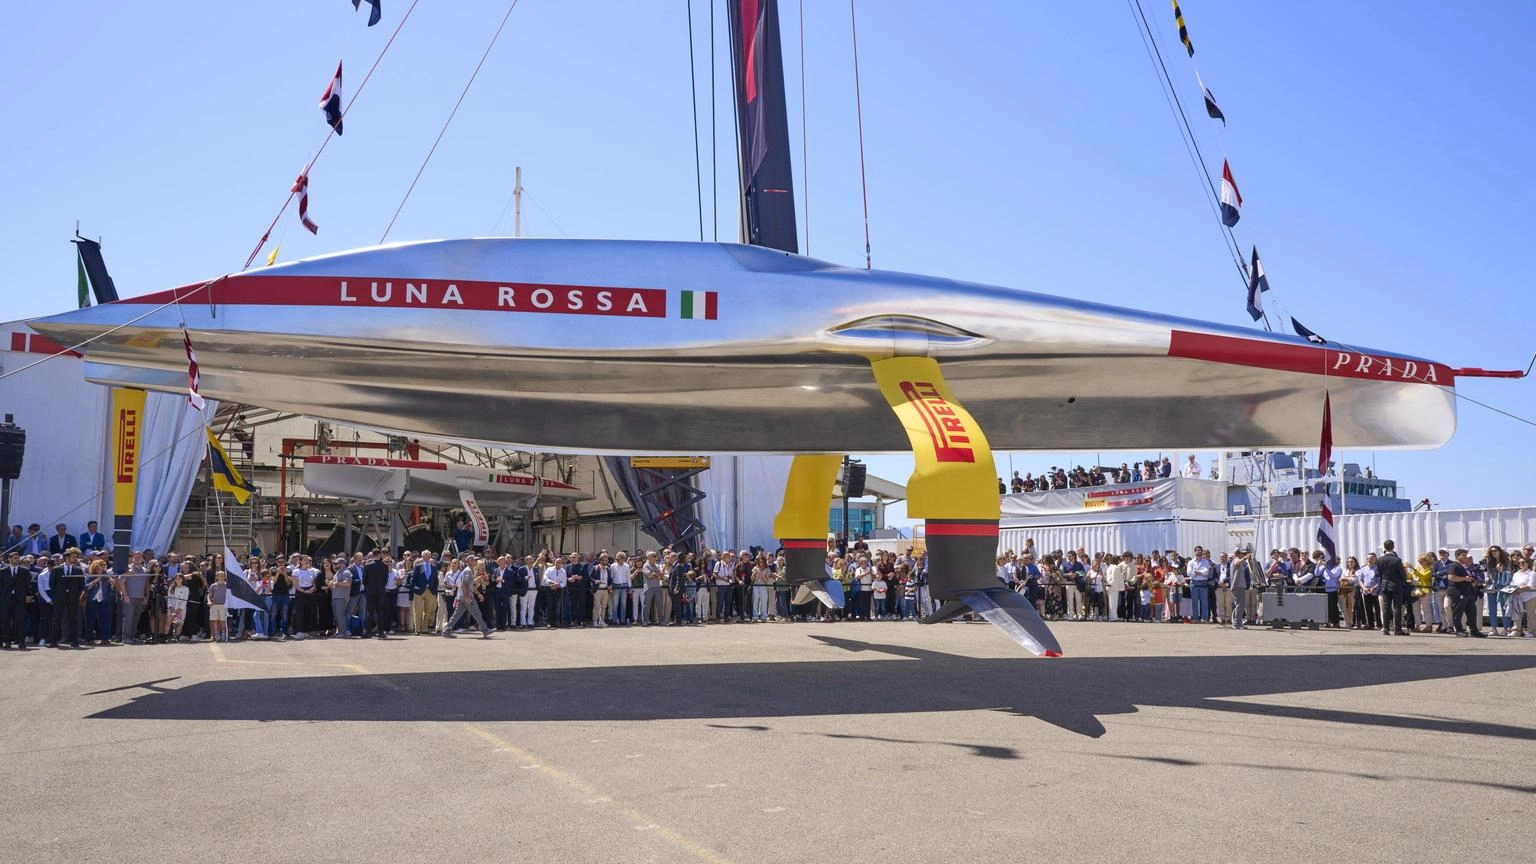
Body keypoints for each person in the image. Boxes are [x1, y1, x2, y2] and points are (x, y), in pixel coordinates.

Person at [441, 559, 491, 638]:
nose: (476, 561)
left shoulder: (469, 570)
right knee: (477, 613)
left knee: (456, 615)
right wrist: (467, 596)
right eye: (474, 560)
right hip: (467, 596)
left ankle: (447, 630)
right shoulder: (468, 571)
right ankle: (485, 630)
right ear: (470, 561)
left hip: (463, 596)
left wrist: (478, 594)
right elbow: (464, 584)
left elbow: (470, 584)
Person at [51, 548, 86, 649]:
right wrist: (57, 596)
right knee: (56, 619)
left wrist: (76, 595)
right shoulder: (56, 569)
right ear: (66, 558)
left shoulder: (78, 570)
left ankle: (74, 641)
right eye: (72, 557)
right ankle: (54, 641)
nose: (75, 559)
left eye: (76, 557)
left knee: (73, 619)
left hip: (73, 598)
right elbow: (52, 584)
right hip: (59, 598)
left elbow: (81, 585)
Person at [1446, 549, 1486, 637]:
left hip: (1468, 592)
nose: (1465, 557)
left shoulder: (1464, 566)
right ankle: (1459, 631)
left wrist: (1472, 582)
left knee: (1472, 612)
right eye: (1463, 555)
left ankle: (1474, 631)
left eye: (1466, 555)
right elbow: (1451, 577)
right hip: (1458, 592)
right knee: (1458, 612)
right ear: (1457, 556)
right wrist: (1465, 578)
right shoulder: (1453, 565)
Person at [1375, 540, 1411, 636]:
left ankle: (1386, 628)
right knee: (1396, 607)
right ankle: (1397, 629)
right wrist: (1403, 579)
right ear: (1393, 547)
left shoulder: (1379, 560)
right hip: (1396, 585)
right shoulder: (1397, 560)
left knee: (1386, 607)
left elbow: (1378, 573)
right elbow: (1402, 574)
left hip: (1385, 584)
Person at [1, 550, 29, 649]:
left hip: (19, 600)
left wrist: (28, 596)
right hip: (6, 600)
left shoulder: (24, 571)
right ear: (9, 559)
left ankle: (21, 642)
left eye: (18, 558)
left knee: (20, 621)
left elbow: (27, 585)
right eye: (15, 558)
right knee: (5, 621)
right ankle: (7, 642)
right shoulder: (3, 571)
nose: (17, 560)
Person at [1229, 547, 1259, 629]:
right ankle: (1237, 623)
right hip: (1237, 586)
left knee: (1239, 605)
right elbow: (1237, 562)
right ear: (1237, 553)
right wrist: (1245, 558)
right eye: (1242, 553)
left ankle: (1237, 622)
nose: (1243, 554)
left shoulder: (1240, 561)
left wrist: (1248, 559)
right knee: (1239, 605)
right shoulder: (1236, 560)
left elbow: (1251, 568)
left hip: (1240, 586)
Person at [1507, 553, 1536, 638]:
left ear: (1527, 563)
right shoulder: (1516, 574)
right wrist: (1512, 589)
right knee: (1517, 613)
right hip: (1518, 596)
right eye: (1520, 563)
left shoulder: (1532, 573)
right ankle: (1516, 631)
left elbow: (1531, 585)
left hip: (1530, 597)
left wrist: (1520, 589)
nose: (1521, 564)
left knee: (1530, 614)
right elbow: (1512, 584)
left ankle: (1532, 631)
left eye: (1523, 562)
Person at [208, 571, 229, 643]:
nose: (222, 577)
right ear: (216, 577)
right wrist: (209, 601)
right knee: (214, 620)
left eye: (223, 576)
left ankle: (223, 633)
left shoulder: (227, 585)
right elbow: (209, 595)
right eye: (220, 576)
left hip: (223, 605)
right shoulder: (213, 586)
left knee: (222, 620)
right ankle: (217, 633)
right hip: (214, 605)